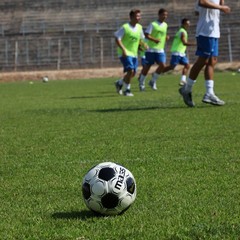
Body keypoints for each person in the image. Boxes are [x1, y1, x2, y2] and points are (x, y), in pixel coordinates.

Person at [179, 0, 231, 107]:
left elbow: (198, 11)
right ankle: (187, 89)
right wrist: (220, 8)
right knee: (202, 61)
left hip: (214, 31)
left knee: (212, 61)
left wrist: (221, 4)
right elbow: (202, 2)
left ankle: (209, 93)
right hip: (205, 32)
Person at [114, 9, 146, 97]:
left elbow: (140, 39)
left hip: (134, 53)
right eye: (137, 16)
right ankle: (127, 90)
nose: (139, 18)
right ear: (131, 17)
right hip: (124, 53)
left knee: (133, 73)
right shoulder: (125, 27)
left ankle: (119, 83)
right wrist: (124, 49)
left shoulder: (139, 27)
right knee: (130, 70)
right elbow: (117, 39)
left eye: (139, 16)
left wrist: (143, 45)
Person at [138, 8, 169, 91]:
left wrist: (166, 37)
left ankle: (153, 81)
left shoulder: (165, 25)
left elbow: (162, 34)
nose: (165, 16)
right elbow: (147, 35)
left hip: (160, 49)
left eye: (166, 15)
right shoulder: (153, 24)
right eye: (163, 15)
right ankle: (141, 83)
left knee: (162, 65)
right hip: (151, 49)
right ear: (159, 15)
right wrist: (154, 40)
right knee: (147, 67)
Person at [163, 18, 196, 86]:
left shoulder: (182, 31)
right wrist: (195, 44)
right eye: (187, 24)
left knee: (187, 65)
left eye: (189, 24)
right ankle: (158, 72)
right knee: (172, 67)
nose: (188, 25)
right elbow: (184, 43)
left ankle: (183, 80)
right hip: (177, 52)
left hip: (181, 53)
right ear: (183, 24)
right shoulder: (182, 32)